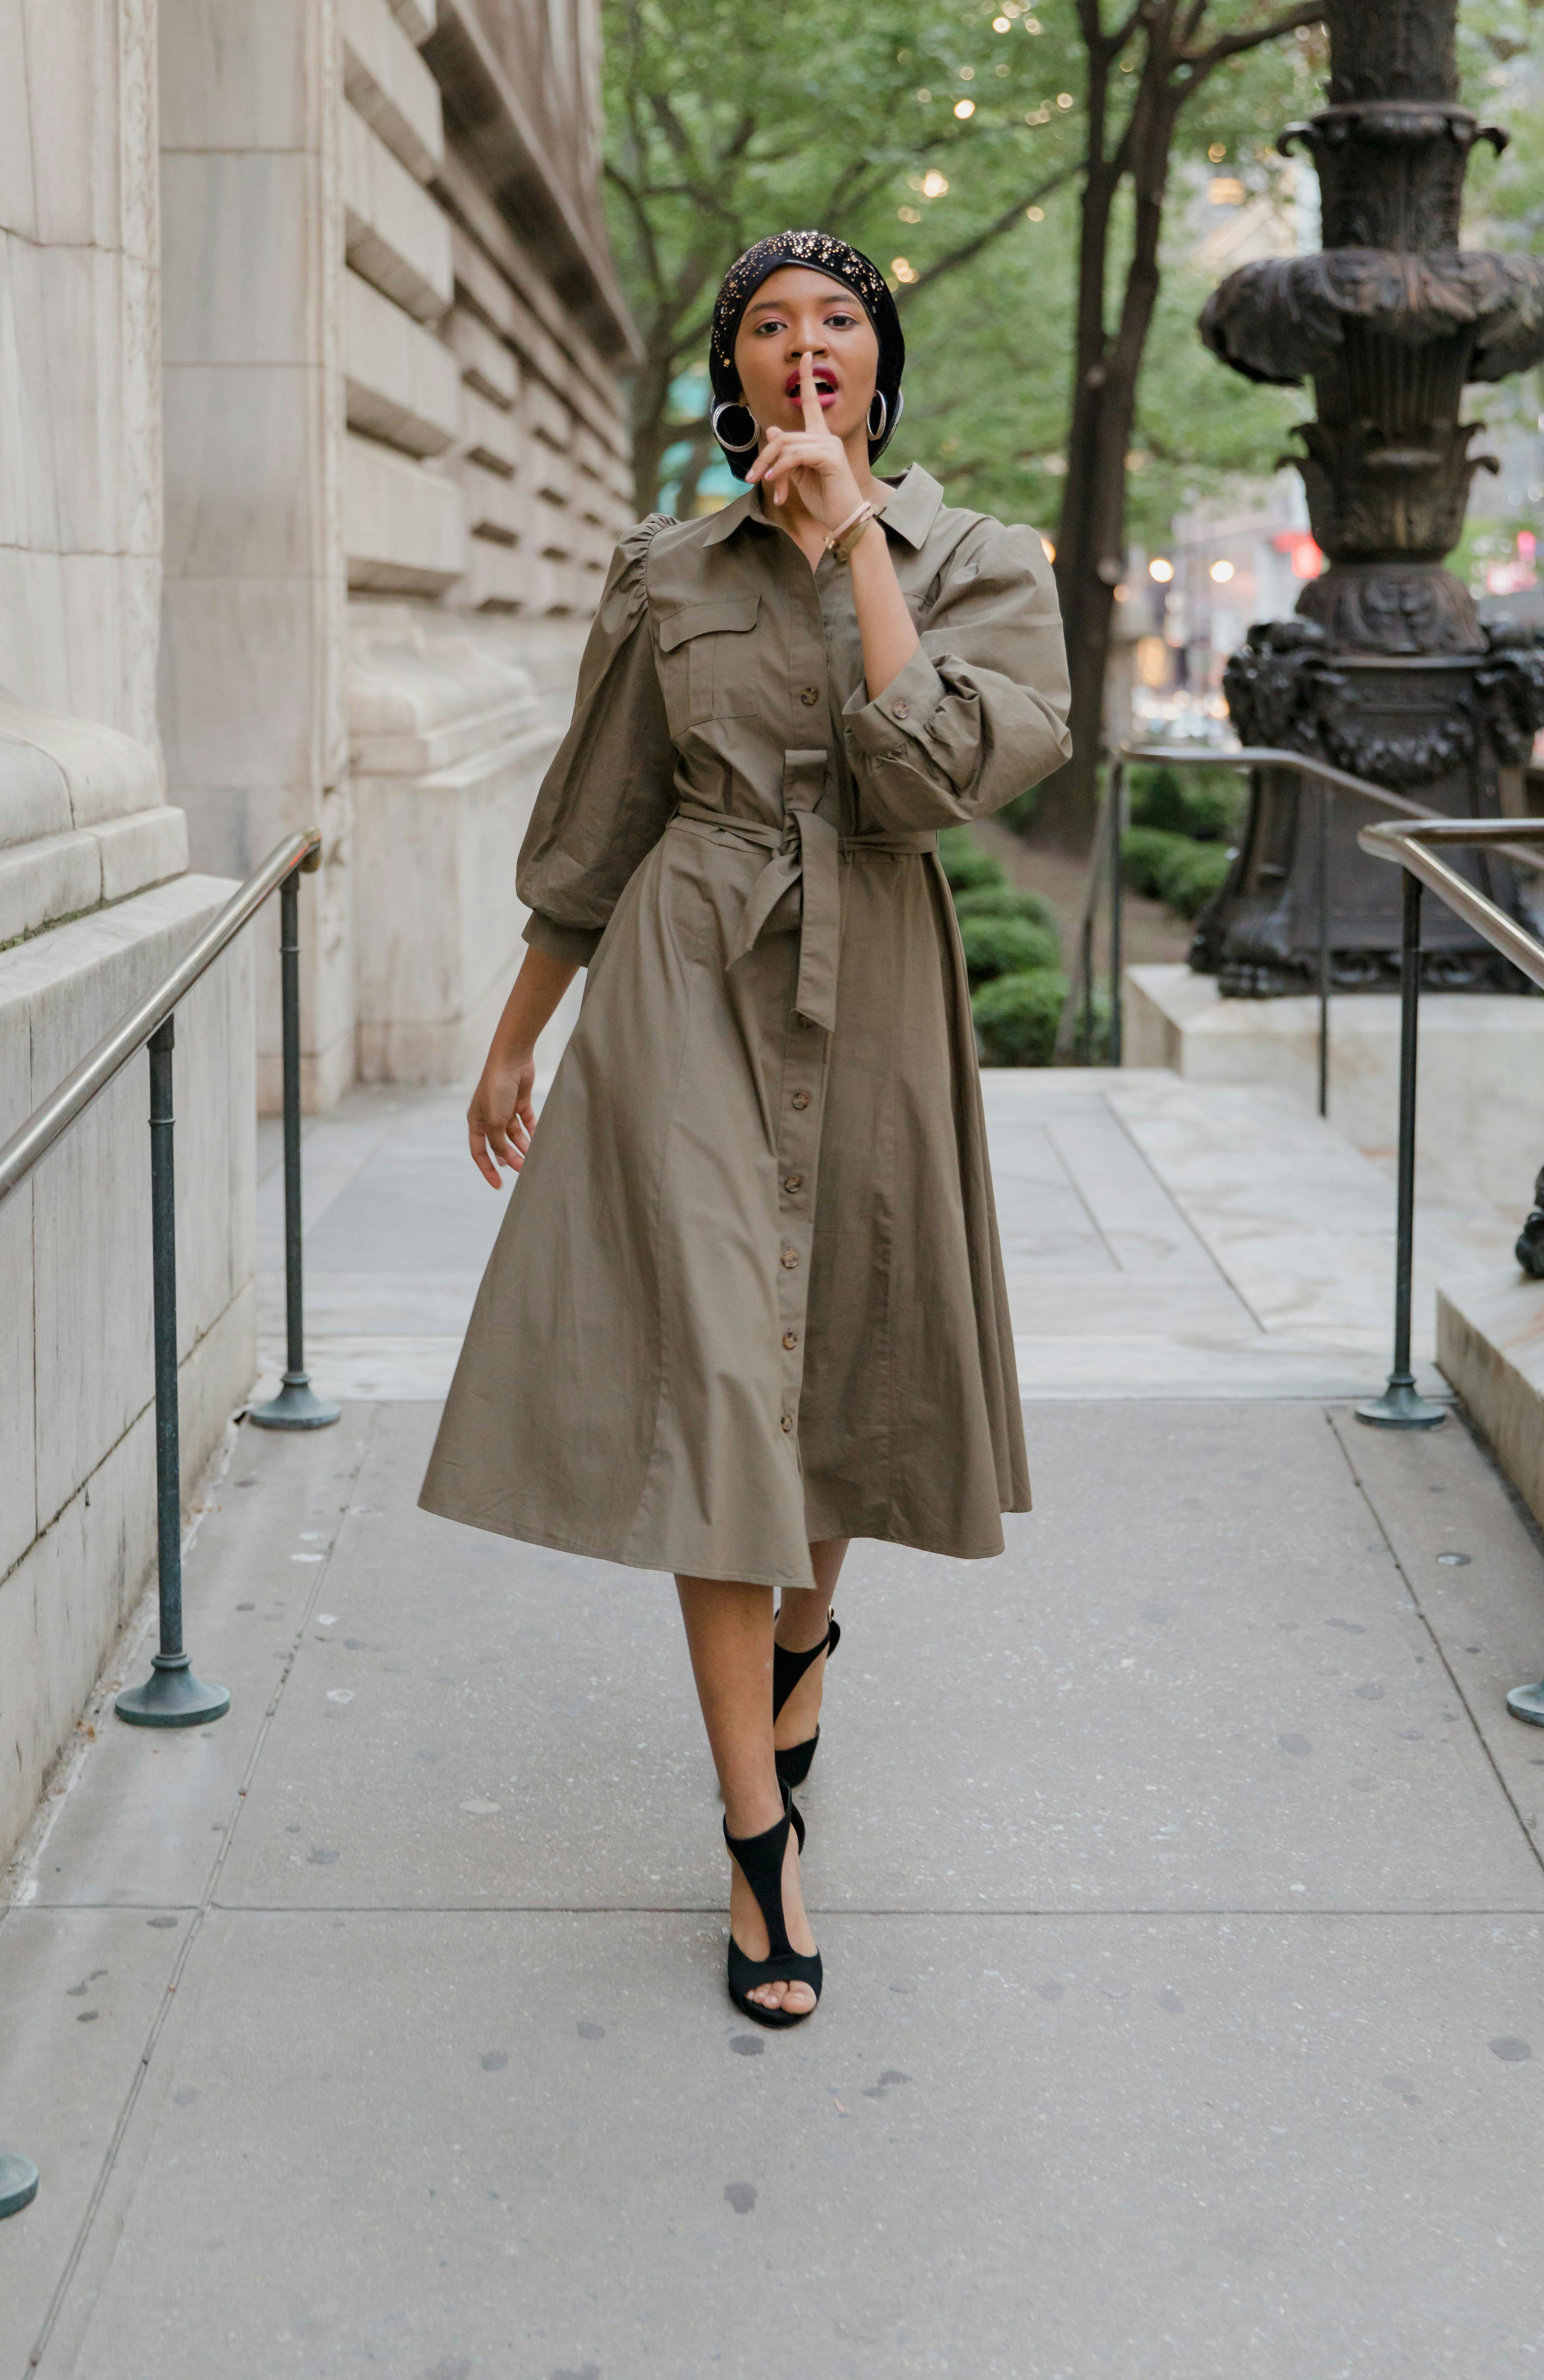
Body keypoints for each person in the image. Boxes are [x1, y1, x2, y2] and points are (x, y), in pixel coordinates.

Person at [418, 229, 1071, 2024]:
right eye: (771, 326)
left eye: (838, 324)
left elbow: (930, 775)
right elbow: (597, 822)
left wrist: (855, 537)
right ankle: (755, 1835)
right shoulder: (659, 570)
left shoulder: (982, 563)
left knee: (838, 1365)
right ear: (733, 371)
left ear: (878, 367)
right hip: (685, 985)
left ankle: (804, 1646)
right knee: (718, 1383)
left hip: (874, 985)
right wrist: (512, 1042)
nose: (806, 348)